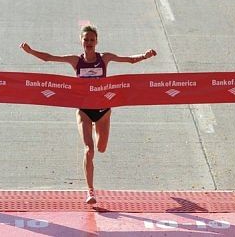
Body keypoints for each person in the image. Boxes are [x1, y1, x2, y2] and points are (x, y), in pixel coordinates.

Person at [21, 25, 156, 204]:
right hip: (84, 111)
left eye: (92, 40)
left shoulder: (104, 58)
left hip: (103, 112)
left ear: (96, 42)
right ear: (81, 41)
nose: (89, 43)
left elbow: (129, 60)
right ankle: (90, 191)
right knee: (89, 150)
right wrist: (30, 51)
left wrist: (144, 56)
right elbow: (49, 58)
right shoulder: (76, 61)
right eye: (86, 40)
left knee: (101, 148)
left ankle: (97, 133)